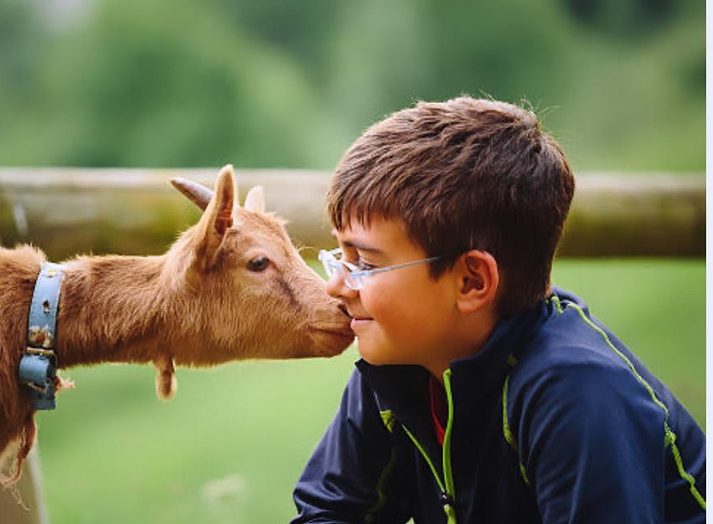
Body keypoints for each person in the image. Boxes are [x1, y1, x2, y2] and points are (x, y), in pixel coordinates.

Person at [290, 97, 706, 523]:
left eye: (366, 264)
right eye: (339, 256)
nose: (336, 285)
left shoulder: (578, 394)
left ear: (472, 282)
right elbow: (328, 512)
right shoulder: (401, 365)